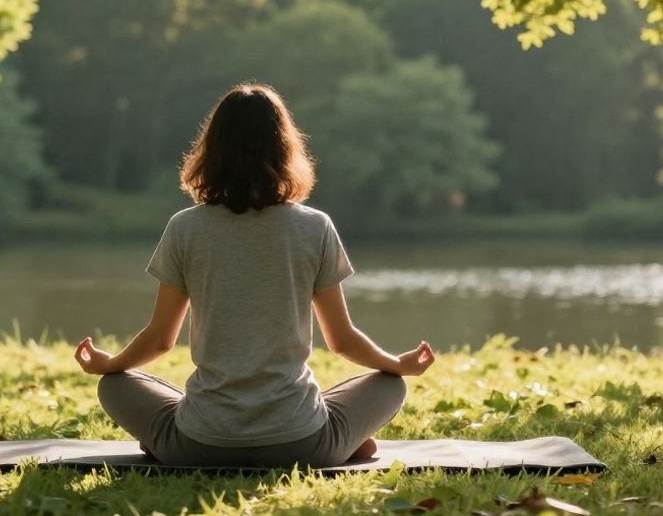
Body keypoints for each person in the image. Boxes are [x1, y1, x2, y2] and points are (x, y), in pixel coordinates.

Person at [73, 83, 435, 468]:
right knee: (388, 385)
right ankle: (340, 442)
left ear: (211, 149)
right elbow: (342, 341)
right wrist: (398, 364)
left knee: (115, 386)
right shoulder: (315, 227)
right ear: (284, 149)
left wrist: (109, 365)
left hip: (201, 444)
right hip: (302, 443)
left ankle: (166, 444)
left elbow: (160, 340)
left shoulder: (185, 228)